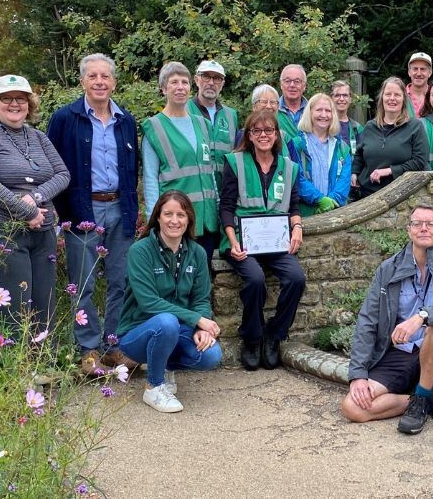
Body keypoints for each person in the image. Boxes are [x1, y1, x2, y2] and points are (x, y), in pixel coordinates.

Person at [341, 203, 433, 434]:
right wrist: (358, 375)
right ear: (409, 230)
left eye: (430, 224)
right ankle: (427, 399)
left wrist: (422, 317)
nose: (424, 228)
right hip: (401, 353)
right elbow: (367, 320)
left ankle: (421, 398)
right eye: (417, 224)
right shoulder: (388, 269)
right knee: (353, 407)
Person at [47, 54, 139, 376]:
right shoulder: (64, 118)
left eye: (105, 76)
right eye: (93, 76)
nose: (100, 82)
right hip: (81, 209)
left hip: (120, 208)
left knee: (120, 280)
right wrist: (62, 213)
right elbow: (51, 167)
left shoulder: (126, 120)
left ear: (114, 82)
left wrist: (132, 208)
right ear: (83, 81)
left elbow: (132, 169)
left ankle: (113, 346)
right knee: (82, 282)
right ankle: (88, 350)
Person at [0, 75, 70, 340]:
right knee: (11, 302)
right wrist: (28, 212)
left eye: (21, 98)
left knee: (42, 300)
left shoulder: (38, 137)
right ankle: (13, 367)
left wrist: (35, 197)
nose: (14, 104)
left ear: (29, 103)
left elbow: (62, 174)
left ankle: (42, 365)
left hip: (41, 232)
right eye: (7, 98)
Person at [117, 191, 222, 413]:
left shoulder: (197, 253)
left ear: (189, 219)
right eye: (168, 214)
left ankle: (163, 367)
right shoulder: (140, 251)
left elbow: (201, 298)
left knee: (211, 355)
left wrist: (199, 328)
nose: (174, 221)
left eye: (181, 215)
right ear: (157, 217)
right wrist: (197, 319)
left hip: (178, 329)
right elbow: (148, 302)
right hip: (137, 332)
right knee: (166, 322)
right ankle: (153, 387)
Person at [220, 111, 306, 371]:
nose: (263, 135)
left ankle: (274, 335)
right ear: (249, 135)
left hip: (277, 243)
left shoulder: (289, 167)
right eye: (257, 131)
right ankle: (252, 338)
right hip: (243, 241)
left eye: (269, 130)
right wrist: (233, 241)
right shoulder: (235, 162)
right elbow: (225, 206)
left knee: (296, 278)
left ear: (277, 135)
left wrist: (298, 228)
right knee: (255, 280)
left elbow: (293, 206)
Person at [141, 61, 219, 260]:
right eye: (173, 82)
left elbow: (208, 171)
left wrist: (217, 205)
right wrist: (154, 219)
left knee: (203, 278)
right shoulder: (154, 127)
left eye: (184, 82)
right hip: (175, 220)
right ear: (163, 89)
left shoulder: (203, 124)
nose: (180, 87)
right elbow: (150, 178)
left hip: (207, 217)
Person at [351, 77, 429, 198]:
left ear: (404, 99)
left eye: (397, 95)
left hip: (401, 196)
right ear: (382, 98)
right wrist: (354, 173)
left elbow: (419, 162)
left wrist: (389, 171)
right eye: (388, 94)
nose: (392, 98)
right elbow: (360, 154)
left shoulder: (415, 127)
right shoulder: (370, 126)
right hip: (367, 195)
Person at [290, 93, 352, 215]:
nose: (324, 115)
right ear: (310, 113)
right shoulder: (297, 145)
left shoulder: (342, 148)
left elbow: (344, 180)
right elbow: (297, 178)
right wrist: (319, 199)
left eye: (328, 111)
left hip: (335, 212)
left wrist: (331, 202)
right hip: (305, 213)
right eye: (319, 110)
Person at [188, 60, 239, 185]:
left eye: (217, 78)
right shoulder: (185, 110)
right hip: (194, 188)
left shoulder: (231, 115)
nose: (211, 83)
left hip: (224, 190)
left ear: (222, 84)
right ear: (196, 79)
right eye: (206, 76)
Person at [332, 80, 364, 155]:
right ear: (331, 98)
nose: (341, 99)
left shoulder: (357, 129)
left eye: (345, 95)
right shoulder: (323, 126)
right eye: (337, 95)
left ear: (350, 99)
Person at [277, 64, 308, 142]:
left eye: (297, 81)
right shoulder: (272, 111)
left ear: (304, 86)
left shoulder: (313, 111)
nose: (292, 85)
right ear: (281, 84)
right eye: (287, 81)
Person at [405, 52, 433, 117]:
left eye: (423, 69)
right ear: (409, 72)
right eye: (415, 69)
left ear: (430, 72)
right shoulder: (399, 95)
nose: (419, 73)